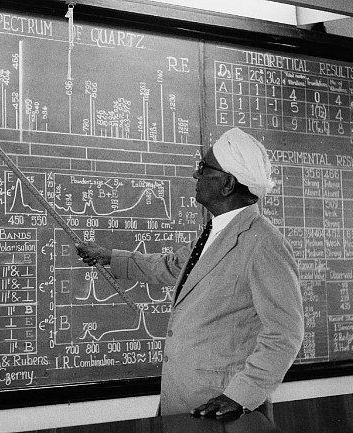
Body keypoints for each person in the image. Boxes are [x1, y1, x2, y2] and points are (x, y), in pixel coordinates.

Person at [75, 127, 304, 418]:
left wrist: (240, 395)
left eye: (203, 168)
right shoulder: (214, 233)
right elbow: (171, 267)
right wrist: (108, 257)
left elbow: (286, 333)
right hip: (185, 401)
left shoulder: (264, 242)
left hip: (222, 410)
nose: (196, 176)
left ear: (227, 184)